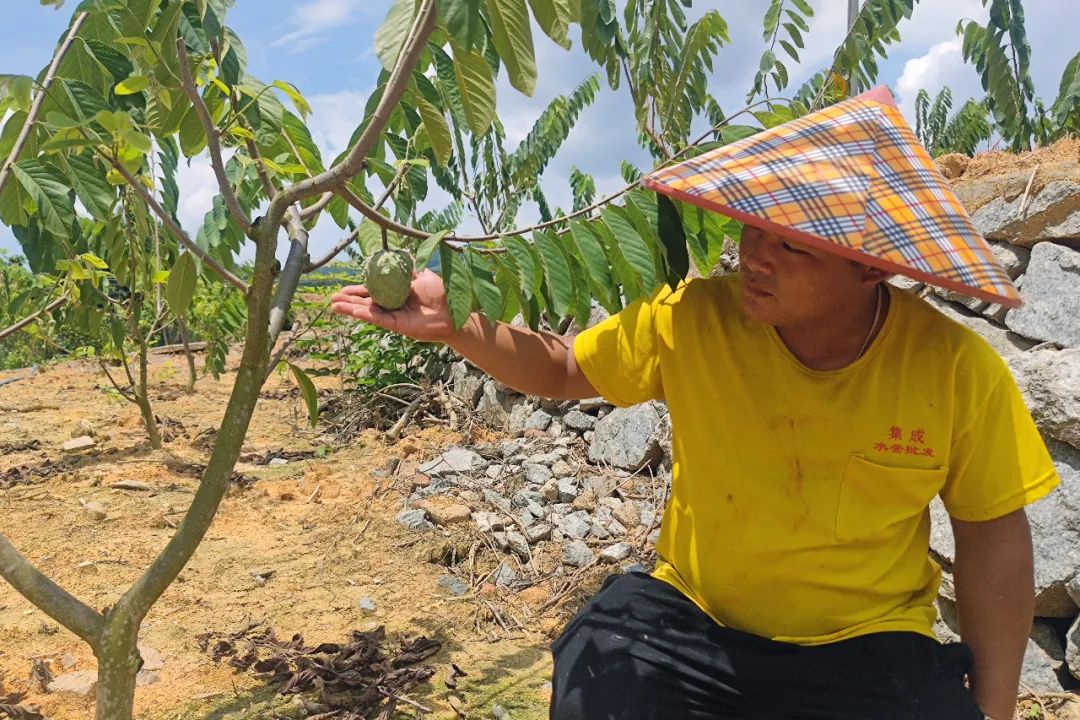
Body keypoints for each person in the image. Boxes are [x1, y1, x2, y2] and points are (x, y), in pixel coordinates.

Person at [330, 220, 1059, 720]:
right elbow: (560, 367)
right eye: (752, 231)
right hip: (696, 620)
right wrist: (458, 322)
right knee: (600, 650)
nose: (754, 258)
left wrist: (993, 710)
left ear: (869, 266)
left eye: (789, 247)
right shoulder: (694, 319)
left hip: (866, 643)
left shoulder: (957, 370)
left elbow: (993, 534)